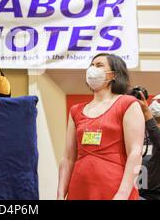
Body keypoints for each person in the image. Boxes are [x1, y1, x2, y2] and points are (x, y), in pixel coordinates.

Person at [57, 53, 145, 200]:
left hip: (114, 186)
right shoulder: (75, 110)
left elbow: (135, 153)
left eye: (99, 65)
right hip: (79, 187)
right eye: (91, 65)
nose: (93, 69)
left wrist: (122, 194)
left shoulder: (128, 104)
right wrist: (60, 193)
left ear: (114, 75)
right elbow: (68, 158)